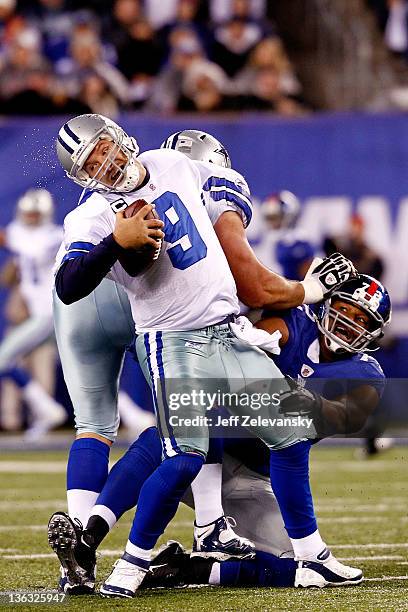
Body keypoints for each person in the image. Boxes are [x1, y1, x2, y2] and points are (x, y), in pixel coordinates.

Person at [48, 114, 357, 598]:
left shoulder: (172, 162)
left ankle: (313, 556)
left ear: (122, 138)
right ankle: (128, 565)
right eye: (93, 163)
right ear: (84, 178)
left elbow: (220, 237)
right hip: (172, 341)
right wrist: (116, 242)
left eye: (106, 148)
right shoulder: (92, 216)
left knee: (291, 432)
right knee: (182, 457)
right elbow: (68, 286)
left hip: (226, 332)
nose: (107, 163)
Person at [55, 273, 390, 591]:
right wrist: (262, 345)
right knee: (170, 434)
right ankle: (90, 538)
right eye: (345, 310)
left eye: (361, 320)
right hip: (206, 452)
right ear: (327, 304)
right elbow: (273, 332)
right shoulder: (295, 322)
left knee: (291, 565)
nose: (348, 323)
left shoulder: (365, 372)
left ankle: (187, 569)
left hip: (251, 478)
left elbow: (346, 416)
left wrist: (309, 401)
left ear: (373, 334)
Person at [0, 188, 65, 438]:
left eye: (35, 214)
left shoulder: (55, 235)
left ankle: (46, 409)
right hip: (41, 314)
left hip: (48, 313)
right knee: (79, 366)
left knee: (4, 358)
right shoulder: (18, 232)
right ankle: (134, 415)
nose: (30, 218)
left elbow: (34, 252)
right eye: (28, 214)